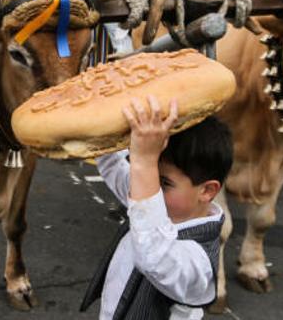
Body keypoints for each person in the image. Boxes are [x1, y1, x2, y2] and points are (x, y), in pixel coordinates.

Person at [80, 97, 231, 319]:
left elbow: (153, 254)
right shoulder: (157, 200)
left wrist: (145, 162)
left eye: (163, 182)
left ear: (207, 191)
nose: (146, 189)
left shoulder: (199, 262)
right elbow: (114, 166)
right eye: (146, 178)